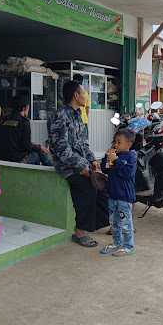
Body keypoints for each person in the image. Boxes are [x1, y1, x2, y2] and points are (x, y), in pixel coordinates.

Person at [50, 80, 108, 247]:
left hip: (81, 163)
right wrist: (82, 167)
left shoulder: (77, 115)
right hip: (67, 166)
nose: (86, 96)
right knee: (87, 187)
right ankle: (80, 231)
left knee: (104, 185)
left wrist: (93, 161)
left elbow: (83, 143)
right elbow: (62, 149)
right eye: (84, 92)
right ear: (76, 95)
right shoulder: (60, 115)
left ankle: (94, 225)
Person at [99, 129, 137, 257]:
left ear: (128, 144)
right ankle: (117, 243)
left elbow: (127, 174)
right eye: (115, 142)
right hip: (112, 195)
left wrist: (116, 161)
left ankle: (128, 246)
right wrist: (106, 159)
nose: (116, 144)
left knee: (125, 223)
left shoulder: (131, 156)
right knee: (114, 223)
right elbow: (105, 169)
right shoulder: (115, 155)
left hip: (124, 198)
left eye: (119, 142)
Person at [0, 96, 52, 166]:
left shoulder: (4, 120)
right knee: (37, 154)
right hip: (16, 160)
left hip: (1, 158)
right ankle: (52, 168)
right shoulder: (24, 122)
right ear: (25, 108)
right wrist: (40, 147)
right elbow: (27, 145)